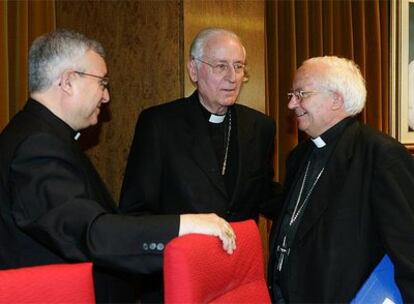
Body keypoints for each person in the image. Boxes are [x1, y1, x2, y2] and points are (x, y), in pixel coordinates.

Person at [0, 29, 237, 304]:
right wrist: (187, 224)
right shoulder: (37, 145)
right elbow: (92, 233)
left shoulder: (42, 135)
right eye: (102, 82)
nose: (106, 97)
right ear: (67, 82)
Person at [120, 27, 281, 302]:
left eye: (238, 66)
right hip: (177, 279)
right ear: (194, 70)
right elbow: (135, 211)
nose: (232, 77)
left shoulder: (260, 127)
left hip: (236, 282)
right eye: (220, 66)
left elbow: (264, 194)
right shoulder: (159, 124)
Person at [268, 56, 414, 303]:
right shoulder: (298, 156)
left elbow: (408, 249)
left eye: (301, 93)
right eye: (291, 94)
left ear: (336, 99)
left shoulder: (380, 155)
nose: (292, 104)